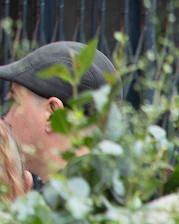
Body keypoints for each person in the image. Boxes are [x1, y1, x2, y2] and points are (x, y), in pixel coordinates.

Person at [0, 40, 115, 188]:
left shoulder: (64, 204)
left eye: (15, 102)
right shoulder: (119, 196)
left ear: (53, 113)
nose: (6, 119)